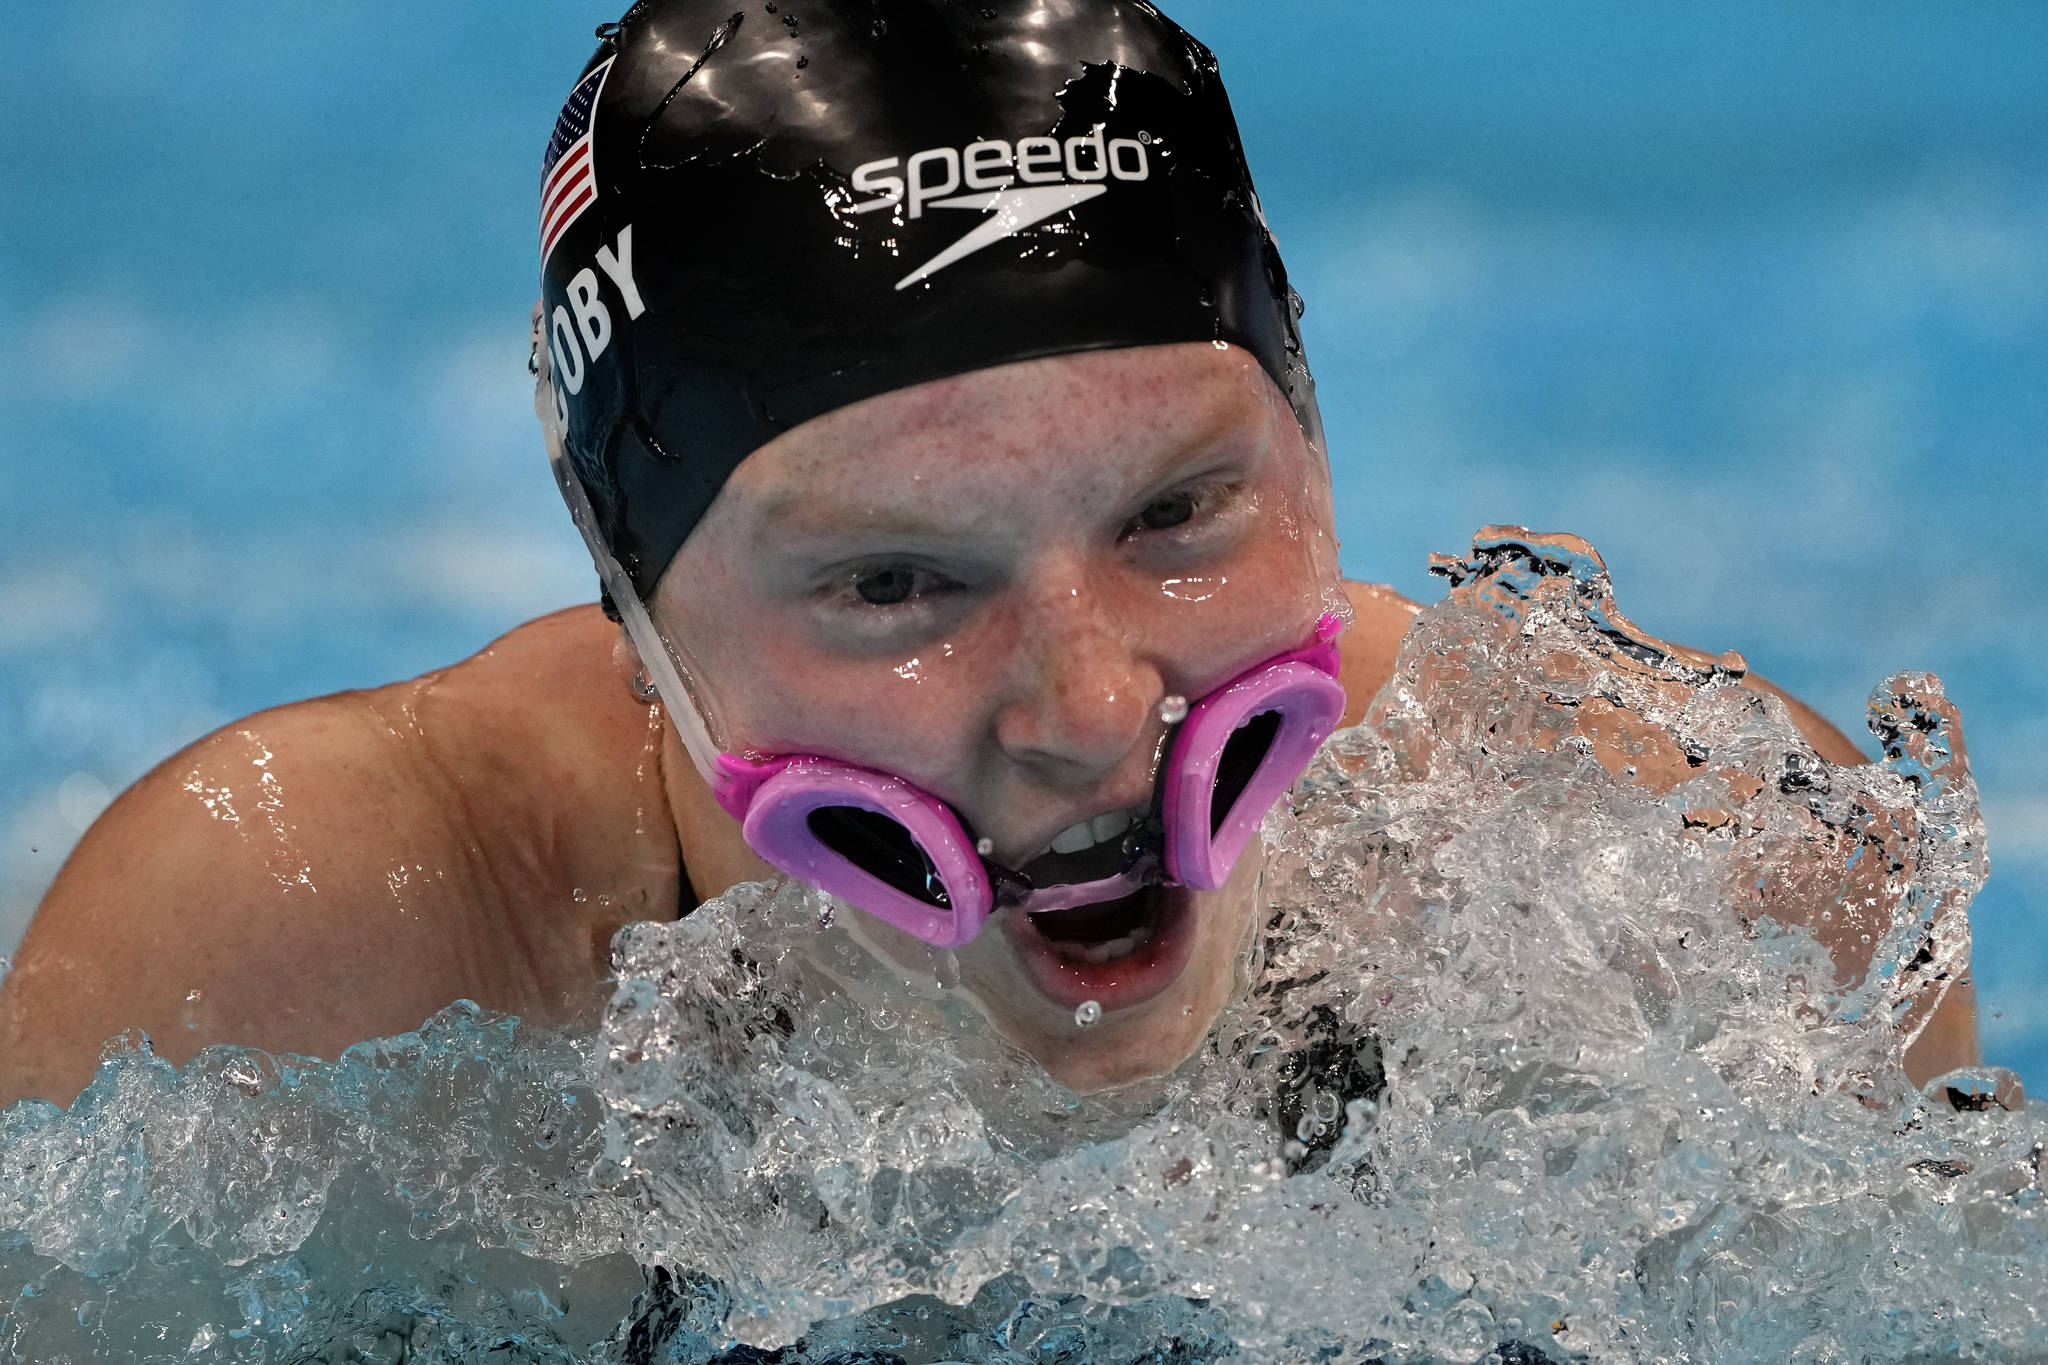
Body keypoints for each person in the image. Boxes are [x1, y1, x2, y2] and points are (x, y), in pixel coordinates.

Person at [0, 0, 1976, 1109]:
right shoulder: (299, 965)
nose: (1089, 713)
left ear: (1313, 447)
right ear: (629, 596)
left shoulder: (1697, 888)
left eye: (1178, 515)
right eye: (891, 584)